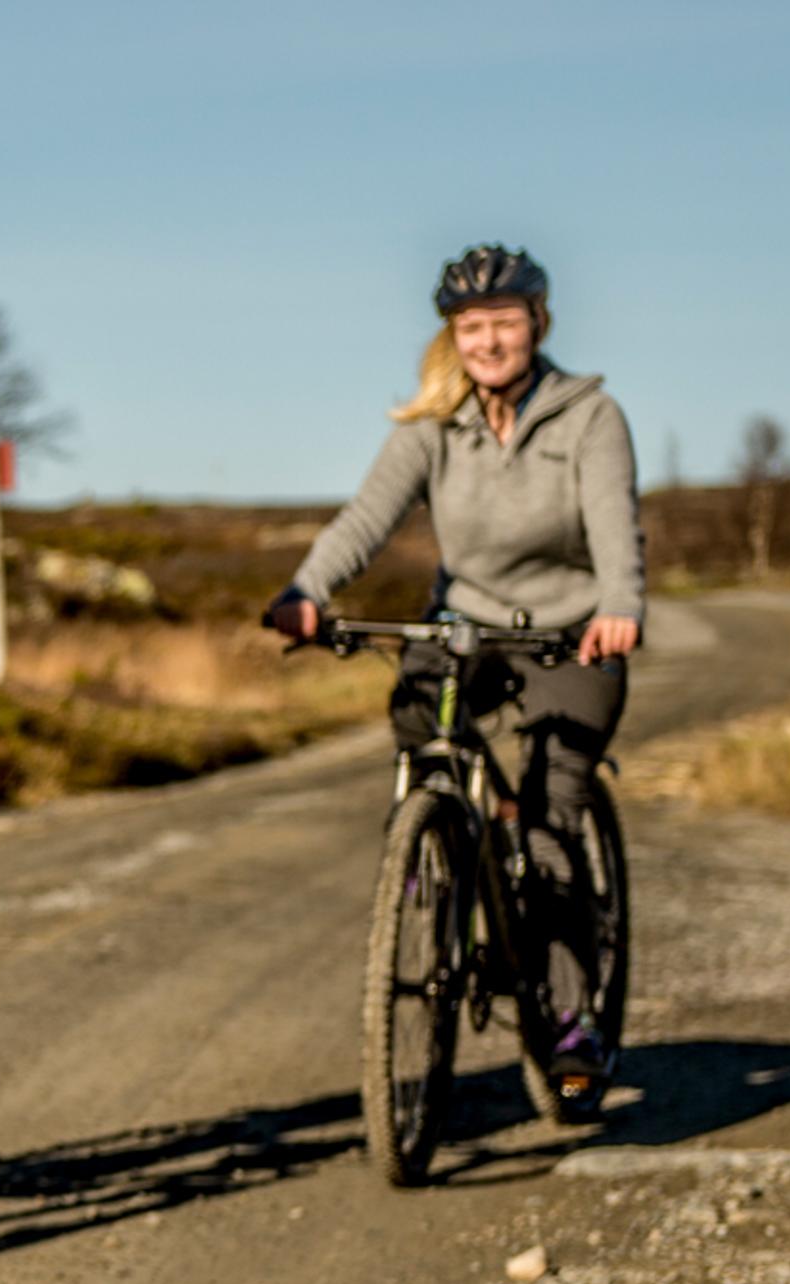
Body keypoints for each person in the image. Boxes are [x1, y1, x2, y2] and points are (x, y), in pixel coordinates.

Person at [267, 243, 644, 1088]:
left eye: (504, 323)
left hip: (570, 634)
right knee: (416, 710)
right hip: (465, 623)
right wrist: (306, 589)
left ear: (537, 323)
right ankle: (443, 842)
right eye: (471, 327)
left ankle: (570, 1018)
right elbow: (365, 519)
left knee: (551, 824)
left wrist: (619, 607)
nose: (488, 341)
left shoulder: (590, 417)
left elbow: (617, 526)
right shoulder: (435, 424)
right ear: (453, 336)